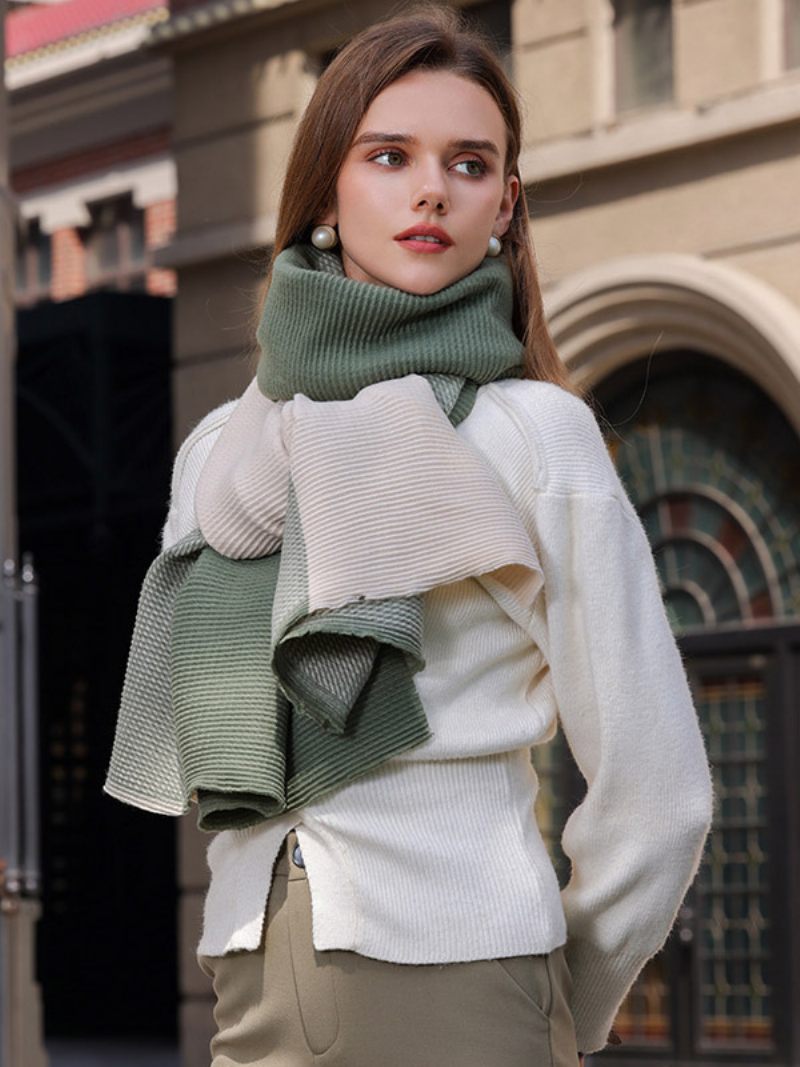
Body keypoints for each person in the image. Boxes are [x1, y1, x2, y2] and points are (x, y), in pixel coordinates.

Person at [106, 6, 714, 1065]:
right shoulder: (216, 450)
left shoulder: (534, 433)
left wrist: (563, 995)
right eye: (388, 155)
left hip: (465, 981)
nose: (431, 188)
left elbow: (655, 789)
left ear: (505, 206)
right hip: (250, 982)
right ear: (326, 194)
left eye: (468, 163)